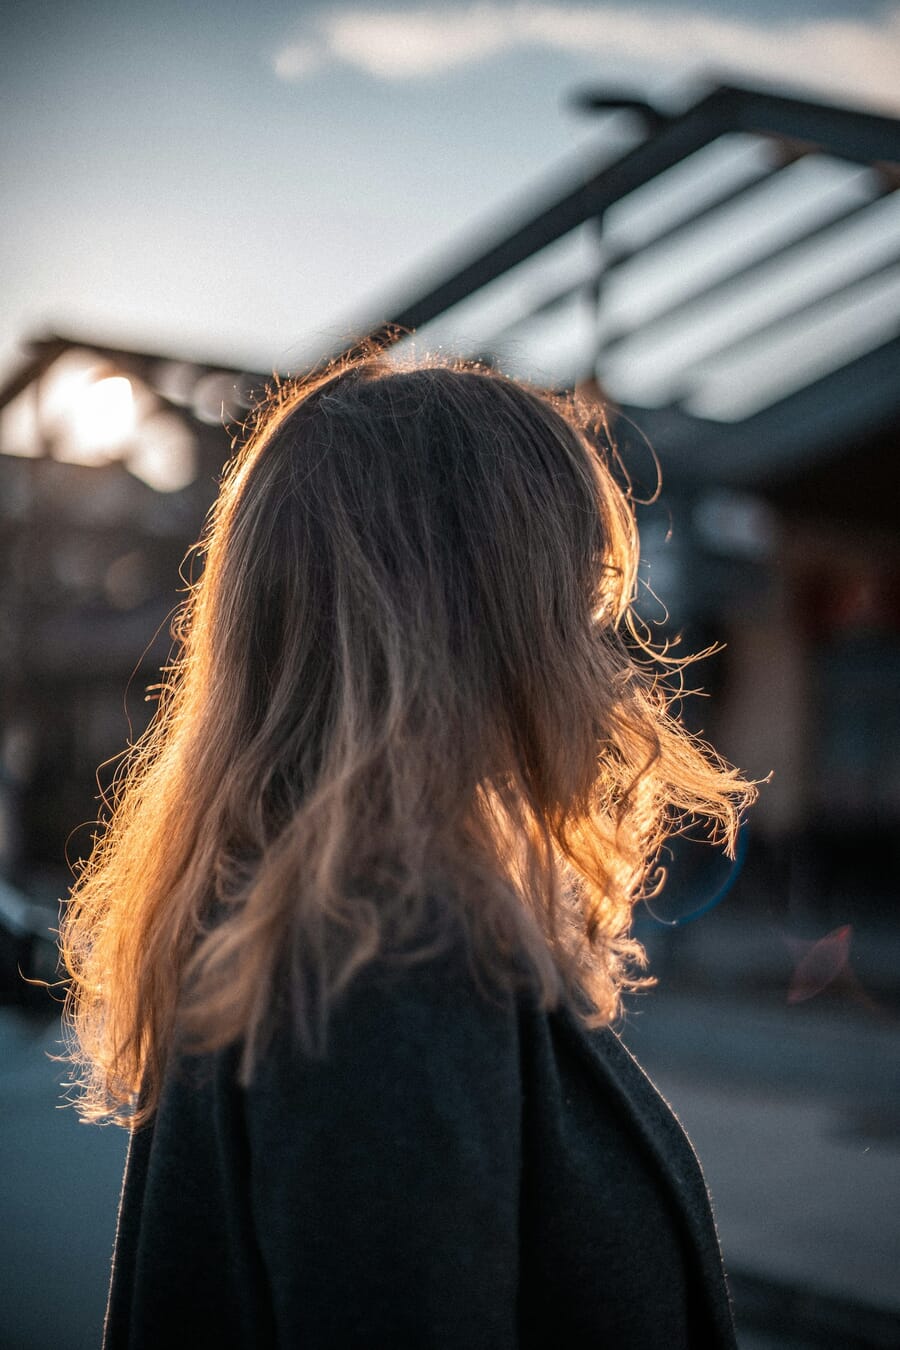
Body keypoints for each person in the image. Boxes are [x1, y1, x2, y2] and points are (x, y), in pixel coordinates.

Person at [60, 352, 756, 1348]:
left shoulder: (294, 917)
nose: (606, 662)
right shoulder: (384, 949)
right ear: (482, 624)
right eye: (580, 605)